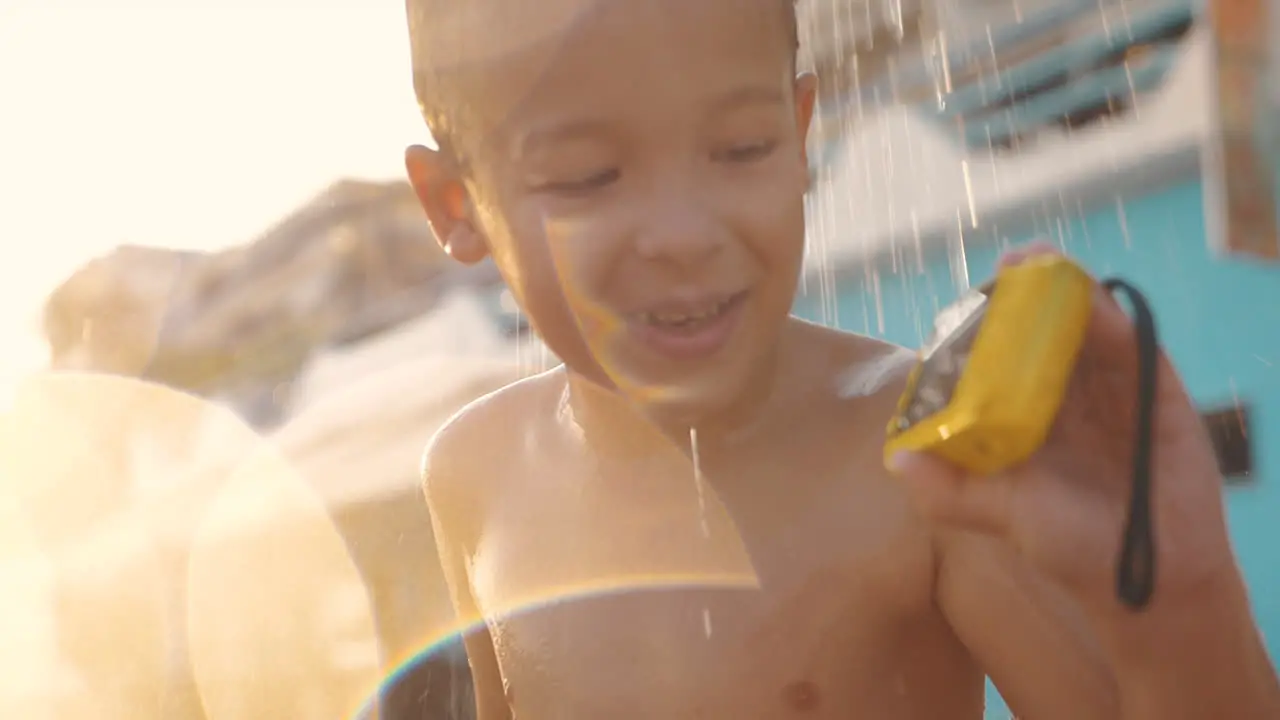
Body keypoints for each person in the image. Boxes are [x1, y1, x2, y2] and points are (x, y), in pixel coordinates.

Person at [403, 0, 1280, 717]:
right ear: (456, 204)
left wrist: (1186, 599)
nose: (683, 234)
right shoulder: (471, 473)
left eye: (742, 148)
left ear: (799, 136)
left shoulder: (915, 459)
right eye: (589, 175)